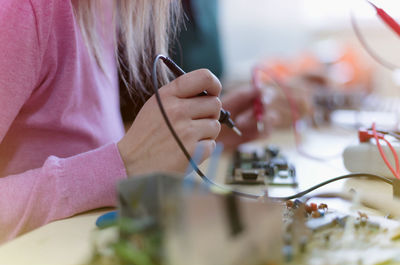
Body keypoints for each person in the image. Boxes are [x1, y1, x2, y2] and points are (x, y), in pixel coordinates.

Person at [0, 0, 264, 243]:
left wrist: (192, 133)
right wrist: (123, 163)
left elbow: (74, 142)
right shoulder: (22, 8)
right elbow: (110, 168)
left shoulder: (102, 7)